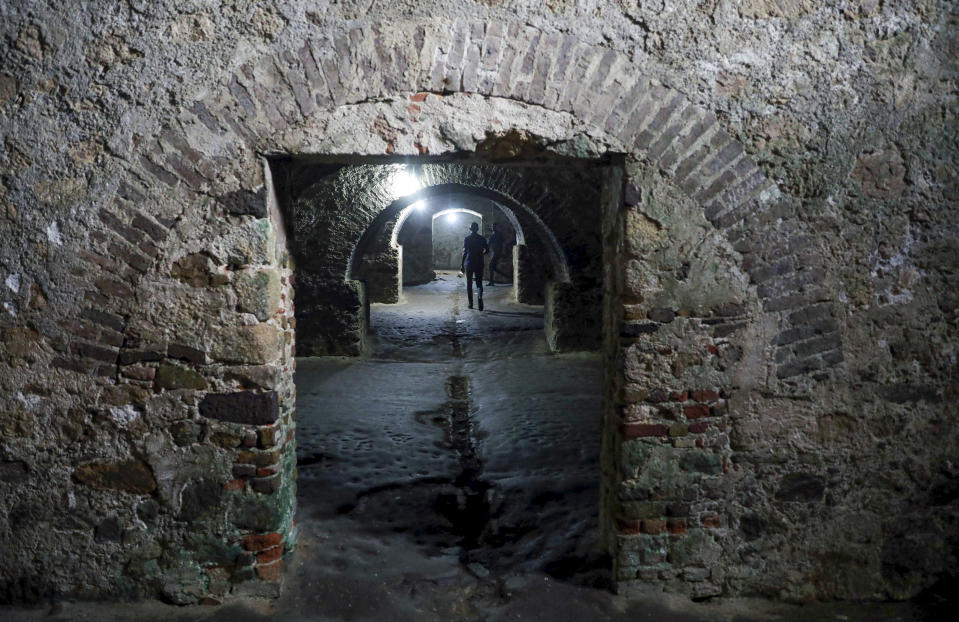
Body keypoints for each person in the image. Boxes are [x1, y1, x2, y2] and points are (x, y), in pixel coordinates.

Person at [460, 222, 488, 310]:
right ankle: (480, 301)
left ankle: (471, 303)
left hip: (469, 263)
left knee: (469, 284)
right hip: (479, 262)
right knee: (479, 283)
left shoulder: (467, 239)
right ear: (477, 229)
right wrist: (481, 254)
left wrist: (462, 265)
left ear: (470, 229)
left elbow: (464, 252)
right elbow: (487, 250)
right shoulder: (482, 238)